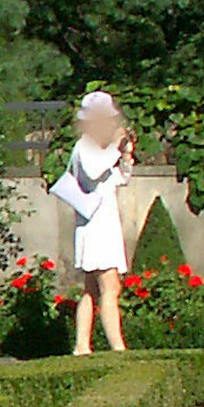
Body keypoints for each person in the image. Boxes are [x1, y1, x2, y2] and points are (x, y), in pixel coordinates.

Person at [51, 88, 136, 355]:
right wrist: (114, 147)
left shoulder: (99, 149)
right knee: (110, 286)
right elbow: (93, 170)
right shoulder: (85, 146)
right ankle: (118, 347)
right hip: (95, 227)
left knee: (92, 289)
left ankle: (81, 346)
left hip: (104, 225)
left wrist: (125, 155)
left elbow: (120, 179)